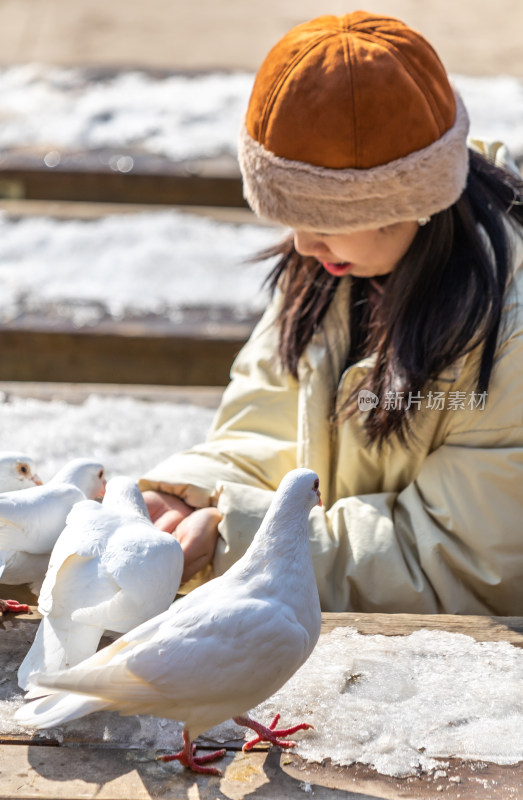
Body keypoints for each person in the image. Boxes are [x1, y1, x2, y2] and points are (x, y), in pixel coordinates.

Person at [139, 11, 523, 615]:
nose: (302, 245)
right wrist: (189, 497)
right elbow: (267, 426)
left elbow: (463, 560)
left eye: (324, 220)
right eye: (288, 216)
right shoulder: (333, 274)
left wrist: (242, 540)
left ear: (412, 201)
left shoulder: (508, 338)